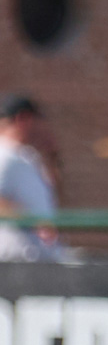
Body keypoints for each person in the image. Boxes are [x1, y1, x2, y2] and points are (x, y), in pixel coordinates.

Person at [0, 94, 59, 261]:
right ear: (23, 119)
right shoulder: (3, 154)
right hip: (12, 261)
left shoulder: (26, 155)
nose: (42, 127)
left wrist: (53, 157)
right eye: (36, 121)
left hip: (35, 259)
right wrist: (33, 221)